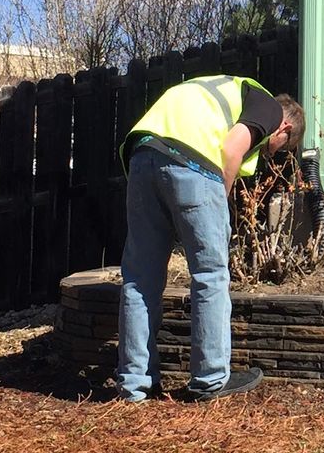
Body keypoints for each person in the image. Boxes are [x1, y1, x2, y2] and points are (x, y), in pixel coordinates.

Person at [116, 75, 304, 403]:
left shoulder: (217, 87)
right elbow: (232, 149)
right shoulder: (270, 107)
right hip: (192, 164)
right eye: (279, 149)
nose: (270, 155)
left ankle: (134, 385)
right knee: (210, 275)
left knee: (140, 279)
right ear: (284, 129)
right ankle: (210, 379)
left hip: (142, 156)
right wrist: (221, 198)